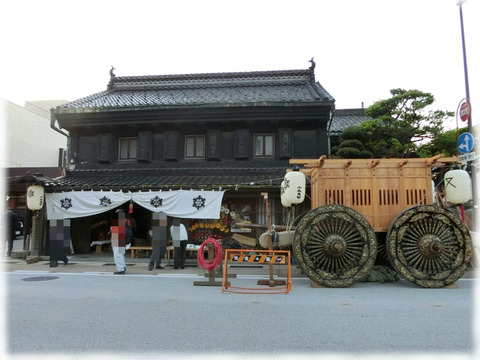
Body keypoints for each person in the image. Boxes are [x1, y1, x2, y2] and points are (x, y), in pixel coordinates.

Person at [111, 208, 131, 275]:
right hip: (123, 239)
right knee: (121, 255)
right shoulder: (127, 221)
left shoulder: (118, 221)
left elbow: (115, 231)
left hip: (118, 239)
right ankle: (123, 267)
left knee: (117, 255)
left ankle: (120, 269)